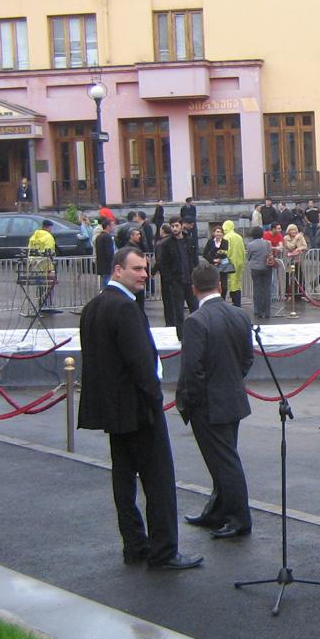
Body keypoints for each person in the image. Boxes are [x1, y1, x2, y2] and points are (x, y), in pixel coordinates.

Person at [77, 247, 202, 570]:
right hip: (138, 409)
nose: (144, 275)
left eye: (145, 269)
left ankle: (134, 544)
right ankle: (164, 551)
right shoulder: (125, 308)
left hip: (113, 410)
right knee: (158, 480)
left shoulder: (93, 307)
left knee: (123, 479)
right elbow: (141, 363)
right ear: (117, 270)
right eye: (137, 269)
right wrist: (154, 399)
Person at [175, 262, 255, 539]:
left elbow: (192, 369)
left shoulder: (196, 321)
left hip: (209, 404)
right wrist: (231, 381)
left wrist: (192, 401)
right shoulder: (239, 315)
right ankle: (217, 511)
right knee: (224, 459)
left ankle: (239, 517)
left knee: (225, 463)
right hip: (232, 398)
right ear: (220, 286)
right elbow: (247, 358)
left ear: (194, 289)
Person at [154, 217, 193, 339]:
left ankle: (196, 332)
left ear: (181, 226)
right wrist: (170, 279)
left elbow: (193, 259)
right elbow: (162, 263)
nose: (175, 229)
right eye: (172, 226)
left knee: (194, 308)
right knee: (178, 310)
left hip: (189, 280)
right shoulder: (166, 243)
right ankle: (181, 336)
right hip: (176, 281)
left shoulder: (188, 240)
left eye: (176, 226)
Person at [246, 225, 273, 320]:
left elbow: (248, 257)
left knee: (257, 289)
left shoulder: (250, 245)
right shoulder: (267, 243)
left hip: (255, 269)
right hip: (267, 268)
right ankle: (267, 311)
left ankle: (258, 310)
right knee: (267, 289)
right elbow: (270, 254)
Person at [220, 220, 245, 307]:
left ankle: (234, 303)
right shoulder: (239, 237)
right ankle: (238, 303)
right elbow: (243, 250)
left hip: (230, 263)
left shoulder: (226, 237)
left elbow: (226, 251)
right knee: (237, 283)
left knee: (230, 283)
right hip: (239, 262)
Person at [203, 225, 230, 298]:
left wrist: (220, 259)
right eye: (217, 232)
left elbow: (225, 253)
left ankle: (222, 299)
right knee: (214, 284)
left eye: (220, 232)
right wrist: (213, 260)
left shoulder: (225, 242)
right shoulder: (210, 242)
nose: (219, 234)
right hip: (213, 266)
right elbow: (205, 254)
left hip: (223, 266)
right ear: (214, 233)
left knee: (224, 286)